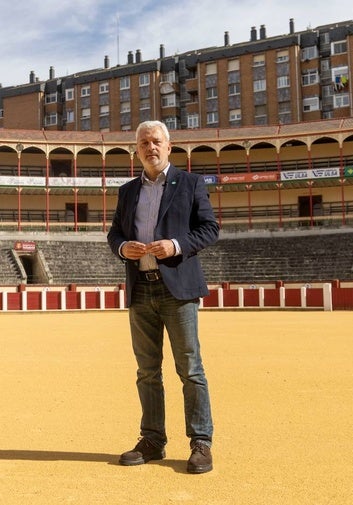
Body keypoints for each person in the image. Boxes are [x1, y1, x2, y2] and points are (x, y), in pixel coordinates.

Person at [107, 120, 219, 474]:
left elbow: (209, 228)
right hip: (141, 287)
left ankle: (201, 442)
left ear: (169, 146)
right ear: (137, 150)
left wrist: (175, 244)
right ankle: (152, 440)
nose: (150, 147)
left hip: (178, 288)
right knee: (146, 371)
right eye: (143, 143)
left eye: (156, 141)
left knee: (190, 368)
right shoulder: (127, 191)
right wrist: (124, 247)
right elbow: (114, 234)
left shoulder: (190, 183)